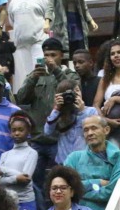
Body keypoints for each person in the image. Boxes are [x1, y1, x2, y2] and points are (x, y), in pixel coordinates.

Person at [17, 38, 81, 180]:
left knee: (62, 178)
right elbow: (20, 98)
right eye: (46, 55)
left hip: (61, 138)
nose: (49, 59)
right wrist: (33, 78)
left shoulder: (70, 75)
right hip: (37, 138)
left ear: (61, 56)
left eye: (53, 55)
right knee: (33, 181)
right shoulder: (35, 75)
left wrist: (56, 71)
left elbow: (74, 91)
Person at [63, 116, 120, 210]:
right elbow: (66, 188)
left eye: (94, 128)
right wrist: (98, 182)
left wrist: (80, 188)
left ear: (106, 130)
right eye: (86, 130)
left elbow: (112, 192)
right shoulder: (74, 158)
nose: (90, 133)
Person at [8, 0, 49, 86]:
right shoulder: (14, 1)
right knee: (28, 73)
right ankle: (32, 96)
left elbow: (49, 17)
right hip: (21, 44)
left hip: (38, 42)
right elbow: (12, 20)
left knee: (40, 69)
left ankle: (42, 92)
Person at [0, 112, 40, 210]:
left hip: (26, 202)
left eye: (21, 130)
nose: (17, 133)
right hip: (7, 202)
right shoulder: (5, 155)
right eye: (14, 130)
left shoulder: (32, 153)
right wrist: (16, 178)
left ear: (28, 131)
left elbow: (25, 179)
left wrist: (3, 170)